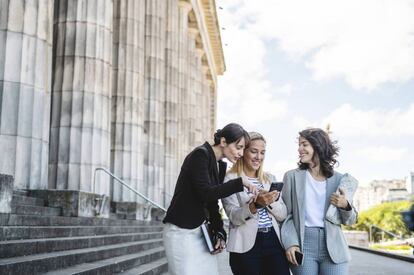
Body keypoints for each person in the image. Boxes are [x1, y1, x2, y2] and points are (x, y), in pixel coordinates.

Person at [163, 123, 257, 275]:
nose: (240, 153)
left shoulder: (219, 166)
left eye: (243, 149)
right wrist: (240, 182)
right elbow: (205, 193)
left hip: (201, 234)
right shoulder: (200, 155)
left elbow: (213, 203)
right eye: (238, 147)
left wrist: (219, 231)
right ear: (224, 142)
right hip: (181, 231)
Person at [281, 128, 358, 275]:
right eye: (299, 145)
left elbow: (351, 220)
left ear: (318, 145)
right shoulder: (291, 177)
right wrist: (290, 243)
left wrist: (345, 206)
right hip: (304, 245)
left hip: (334, 246)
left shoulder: (340, 180)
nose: (300, 149)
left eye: (304, 144)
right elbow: (287, 216)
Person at [222, 132, 290, 275]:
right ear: (243, 151)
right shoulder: (230, 179)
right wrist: (255, 205)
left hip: (273, 241)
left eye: (262, 152)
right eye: (253, 151)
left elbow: (283, 214)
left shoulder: (270, 178)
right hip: (245, 245)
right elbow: (233, 217)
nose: (258, 157)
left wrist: (268, 202)